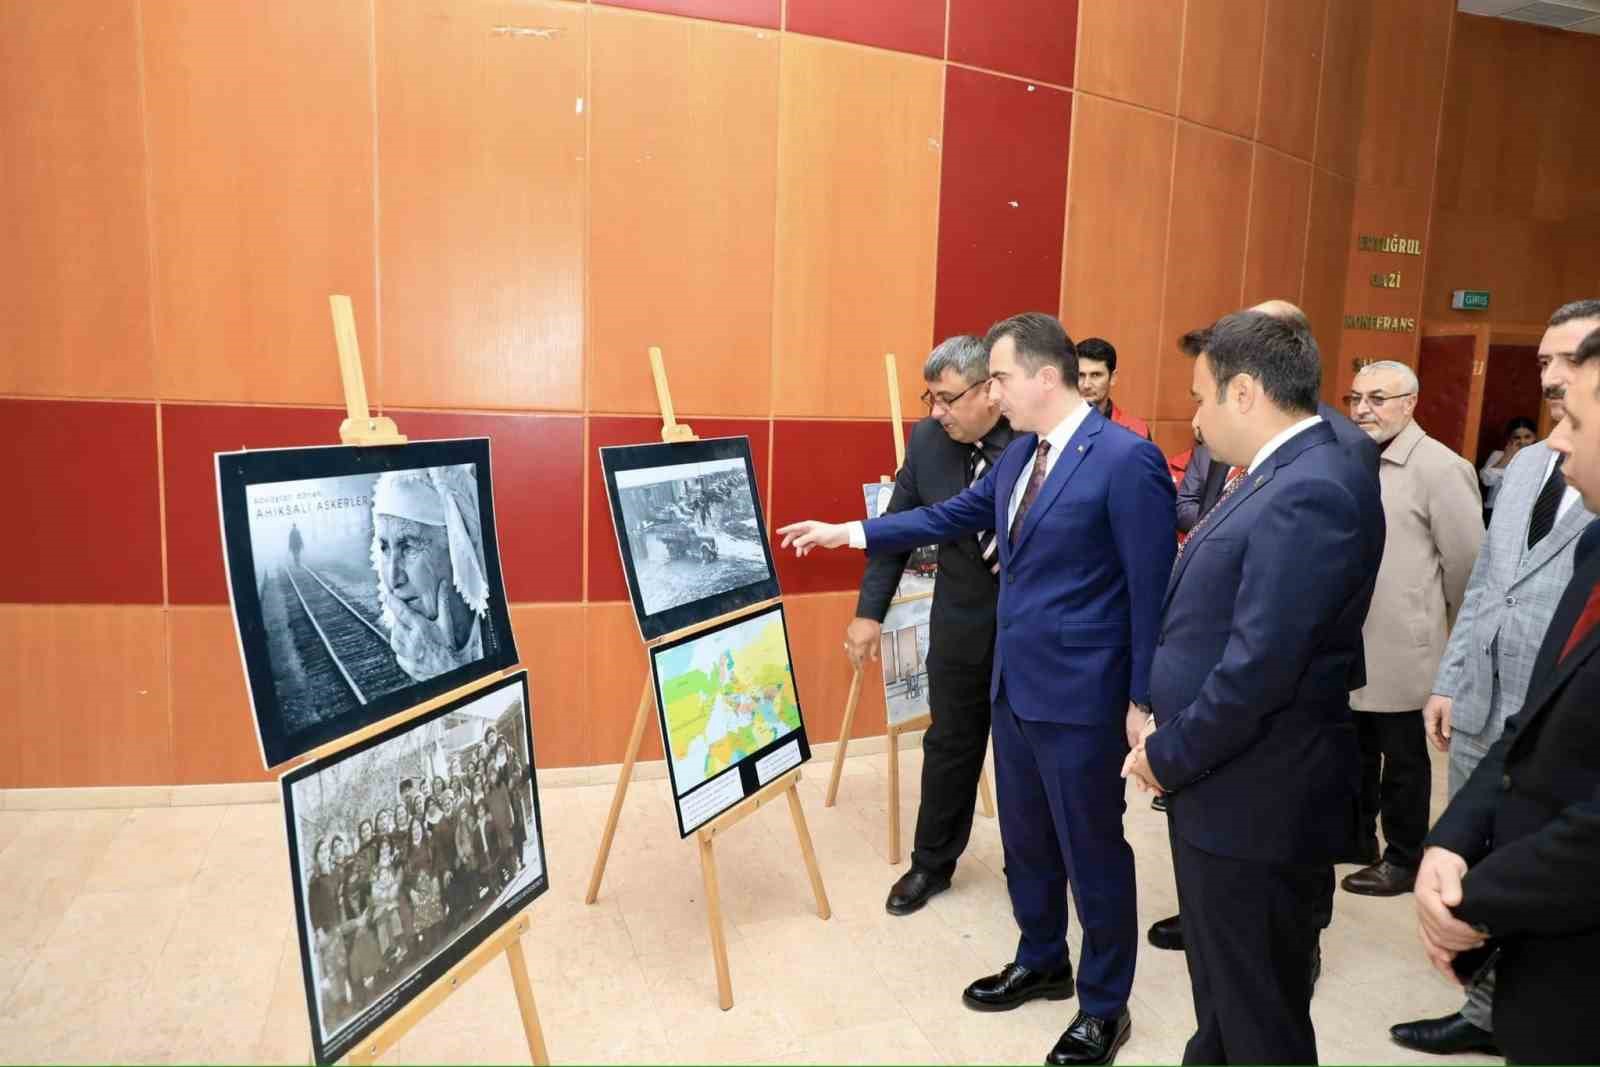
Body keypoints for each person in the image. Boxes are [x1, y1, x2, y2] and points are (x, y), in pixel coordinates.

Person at [780, 312, 1175, 1066]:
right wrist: (850, 531)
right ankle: (1042, 958)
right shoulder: (1022, 452)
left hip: (1084, 696)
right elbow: (951, 513)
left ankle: (1104, 1004)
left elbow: (1149, 589)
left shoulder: (1126, 460)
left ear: (1044, 377)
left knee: (1091, 849)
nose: (992, 392)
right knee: (1026, 839)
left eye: (999, 377)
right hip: (1012, 684)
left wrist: (1141, 698)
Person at [1124, 310, 1384, 1064]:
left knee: (1259, 1014)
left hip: (1259, 803)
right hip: (1230, 790)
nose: (1195, 418)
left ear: (1244, 392)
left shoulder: (1313, 488)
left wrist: (1166, 753)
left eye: (1200, 397)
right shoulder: (1278, 471)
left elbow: (1260, 668)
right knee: (1228, 1004)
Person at [1391, 298, 1600, 1057]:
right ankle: (1486, 1005)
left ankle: (1489, 1011)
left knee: (1538, 876)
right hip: (1490, 700)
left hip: (1566, 719)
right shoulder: (1528, 465)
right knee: (1484, 838)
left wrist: (1476, 903)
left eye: (1565, 362)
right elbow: (1483, 582)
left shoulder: (1588, 471)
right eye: (1542, 360)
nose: (1548, 376)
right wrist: (1448, 676)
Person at [848, 334, 1014, 916]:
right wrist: (870, 613)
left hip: (1029, 631)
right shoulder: (927, 442)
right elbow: (898, 530)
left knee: (1028, 755)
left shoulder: (1034, 441)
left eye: (947, 399)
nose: (936, 413)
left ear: (990, 391)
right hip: (962, 624)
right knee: (950, 746)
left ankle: (1032, 863)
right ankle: (931, 864)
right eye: (930, 399)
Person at [1341, 361, 1483, 897]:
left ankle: (1404, 857)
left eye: (1378, 398)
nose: (1362, 409)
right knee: (1353, 748)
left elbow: (1468, 564)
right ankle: (1357, 840)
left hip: (1406, 644)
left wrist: (1445, 639)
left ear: (1410, 403)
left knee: (1402, 759)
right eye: (1356, 397)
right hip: (1353, 637)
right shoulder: (1355, 459)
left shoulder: (1440, 467)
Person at [371, 466, 498, 680]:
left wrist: (446, 671)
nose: (393, 579)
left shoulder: (511, 623)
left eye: (409, 547)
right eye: (384, 548)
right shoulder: (409, 647)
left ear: (457, 549)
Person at [1076, 338, 1152, 439]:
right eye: (1080, 375)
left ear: (1112, 378)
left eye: (1095, 375)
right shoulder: (1055, 425)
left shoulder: (1136, 431)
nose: (1086, 385)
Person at [1480, 415, 1538, 522]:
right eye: (1517, 437)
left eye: (1527, 437)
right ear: (1509, 438)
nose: (1522, 441)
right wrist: (1507, 456)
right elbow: (1487, 481)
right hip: (1495, 512)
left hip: (1524, 514)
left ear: (1534, 437)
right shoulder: (1498, 455)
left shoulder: (1540, 458)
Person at [402, 819, 445, 955]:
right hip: (417, 885)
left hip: (431, 878)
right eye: (413, 829)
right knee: (420, 895)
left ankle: (437, 930)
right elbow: (406, 879)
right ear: (410, 832)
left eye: (417, 827)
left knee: (429, 889)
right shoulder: (407, 853)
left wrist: (435, 877)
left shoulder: (429, 844)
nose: (416, 831)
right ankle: (428, 935)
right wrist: (411, 891)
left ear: (421, 828)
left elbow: (437, 861)